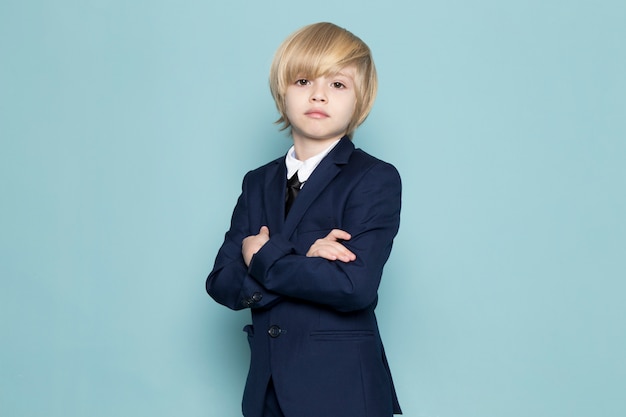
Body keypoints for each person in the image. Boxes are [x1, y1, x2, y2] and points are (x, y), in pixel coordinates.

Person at [206, 22, 402, 417]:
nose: (318, 94)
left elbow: (353, 286)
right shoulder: (257, 182)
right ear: (283, 92)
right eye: (302, 80)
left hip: (343, 392)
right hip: (267, 394)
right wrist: (306, 257)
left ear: (360, 99)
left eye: (338, 85)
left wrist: (263, 255)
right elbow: (222, 284)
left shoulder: (373, 178)